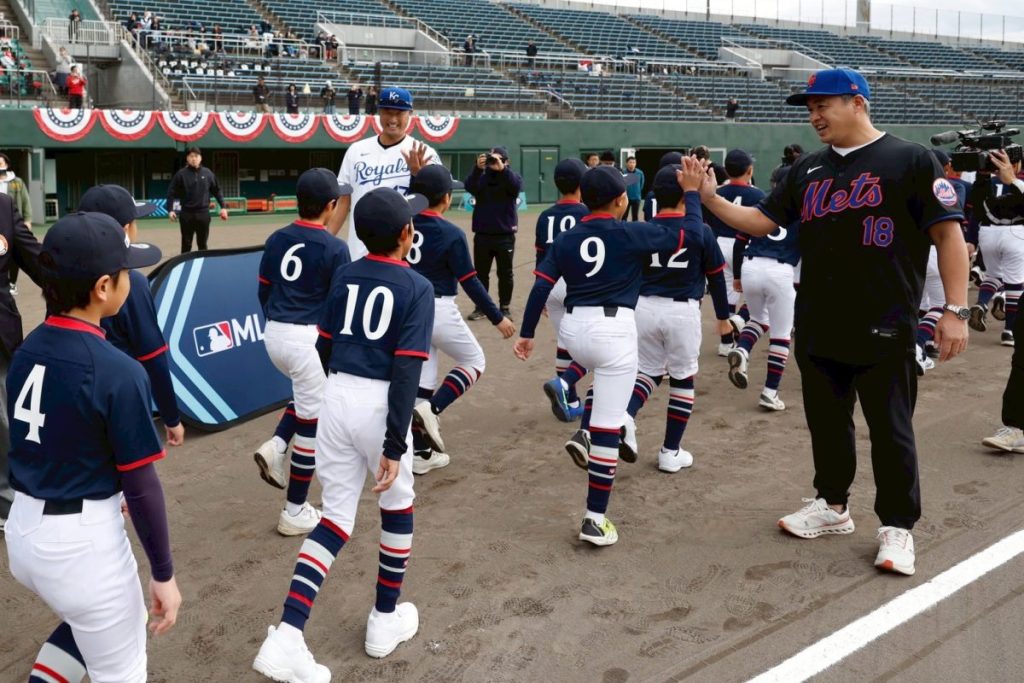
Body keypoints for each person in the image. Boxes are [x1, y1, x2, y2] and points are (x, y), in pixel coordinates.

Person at [692, 67, 969, 576]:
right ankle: (833, 505)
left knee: (891, 429)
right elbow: (762, 222)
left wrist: (954, 310)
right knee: (826, 422)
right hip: (818, 319)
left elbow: (948, 236)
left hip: (886, 321)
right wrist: (710, 198)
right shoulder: (809, 169)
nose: (815, 116)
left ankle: (898, 526)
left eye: (823, 105)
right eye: (810, 108)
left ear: (857, 102)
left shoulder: (910, 158)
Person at [253, 188, 434, 680]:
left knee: (334, 518)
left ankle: (288, 633)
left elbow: (325, 346)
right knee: (397, 506)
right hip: (380, 403)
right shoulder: (417, 286)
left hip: (336, 395)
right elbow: (406, 371)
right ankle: (383, 618)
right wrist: (395, 442)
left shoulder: (347, 272)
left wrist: (340, 391)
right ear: (406, 234)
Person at [4, 212, 181, 683]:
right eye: (125, 273)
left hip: (24, 531)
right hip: (80, 546)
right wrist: (163, 573)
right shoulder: (118, 370)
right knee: (121, 666)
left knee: (86, 619)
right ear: (103, 287)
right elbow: (142, 486)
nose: (131, 280)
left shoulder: (26, 349)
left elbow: (59, 440)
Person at [513, 162, 703, 547]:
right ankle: (595, 520)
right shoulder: (630, 232)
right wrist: (694, 194)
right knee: (606, 427)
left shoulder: (566, 238)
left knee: (596, 370)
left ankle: (568, 383)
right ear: (620, 201)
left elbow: (540, 287)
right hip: (614, 332)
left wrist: (527, 333)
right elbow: (692, 234)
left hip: (574, 332)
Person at [253, 169, 352, 536]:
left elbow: (264, 290)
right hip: (308, 339)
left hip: (274, 334)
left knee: (309, 394)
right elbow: (340, 306)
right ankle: (294, 510)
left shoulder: (277, 238)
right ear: (331, 205)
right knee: (312, 425)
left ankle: (277, 444)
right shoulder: (335, 247)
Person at [617, 164, 733, 472]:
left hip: (643, 308)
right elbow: (716, 278)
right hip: (682, 311)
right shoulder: (701, 231)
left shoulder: (643, 228)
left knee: (647, 372)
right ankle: (670, 451)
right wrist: (723, 318)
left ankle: (625, 416)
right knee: (682, 378)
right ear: (687, 195)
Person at [406, 165, 515, 474]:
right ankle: (433, 409)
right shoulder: (450, 232)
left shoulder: (404, 224)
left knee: (422, 380)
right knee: (474, 360)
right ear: (445, 198)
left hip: (407, 309)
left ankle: (421, 452)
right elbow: (470, 281)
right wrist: (497, 317)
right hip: (437, 308)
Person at [78, 184, 185, 450]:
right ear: (125, 229)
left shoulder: (67, 272)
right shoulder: (130, 283)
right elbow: (153, 357)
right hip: (120, 401)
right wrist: (171, 417)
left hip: (76, 398)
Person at [328, 87, 439, 259]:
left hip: (404, 257)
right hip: (359, 255)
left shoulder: (424, 153)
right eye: (388, 112)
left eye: (399, 113)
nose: (393, 119)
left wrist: (419, 177)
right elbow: (343, 201)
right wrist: (327, 239)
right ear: (379, 112)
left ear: (410, 113)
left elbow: (435, 207)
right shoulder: (356, 150)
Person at [726, 159, 800, 411]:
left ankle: (742, 350)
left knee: (758, 319)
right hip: (780, 269)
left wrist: (737, 275)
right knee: (781, 335)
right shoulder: (803, 208)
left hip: (751, 265)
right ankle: (770, 392)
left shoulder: (762, 203)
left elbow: (740, 241)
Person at [0, 192, 43, 532]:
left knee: (5, 419)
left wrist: (83, 273)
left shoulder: (2, 205)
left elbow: (40, 262)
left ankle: (6, 503)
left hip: (0, 335)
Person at [537, 159, 591, 423]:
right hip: (577, 284)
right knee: (595, 343)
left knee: (564, 342)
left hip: (550, 284)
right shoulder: (587, 212)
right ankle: (567, 387)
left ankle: (570, 400)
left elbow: (540, 258)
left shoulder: (545, 215)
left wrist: (541, 292)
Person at [704, 149, 760, 356]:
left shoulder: (716, 193)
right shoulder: (757, 194)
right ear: (749, 171)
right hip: (745, 246)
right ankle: (739, 329)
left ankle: (726, 342)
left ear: (727, 171)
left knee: (726, 294)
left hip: (719, 244)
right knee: (754, 292)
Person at [967, 149, 1024, 347]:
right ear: (1014, 164)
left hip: (988, 232)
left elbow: (976, 211)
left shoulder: (986, 183)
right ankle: (1009, 331)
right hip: (1016, 233)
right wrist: (1013, 180)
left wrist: (971, 239)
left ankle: (982, 303)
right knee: (1015, 285)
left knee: (993, 275)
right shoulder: (1019, 183)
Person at [464, 146, 522, 320]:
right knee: (480, 274)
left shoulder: (511, 177)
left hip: (505, 235)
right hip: (483, 234)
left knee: (505, 274)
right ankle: (481, 307)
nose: (494, 162)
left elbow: (516, 188)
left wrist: (503, 170)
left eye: (498, 159)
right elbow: (470, 186)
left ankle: (504, 308)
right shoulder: (482, 178)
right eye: (491, 159)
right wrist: (477, 168)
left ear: (506, 161)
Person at [166, 146, 229, 253]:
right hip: (187, 214)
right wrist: (170, 210)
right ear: (187, 158)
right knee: (186, 245)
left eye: (196, 156)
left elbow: (217, 190)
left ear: (201, 158)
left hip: (203, 214)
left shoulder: (208, 173)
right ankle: (185, 263)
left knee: (202, 244)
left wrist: (223, 207)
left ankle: (203, 262)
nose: (194, 158)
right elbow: (171, 192)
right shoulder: (181, 174)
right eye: (191, 156)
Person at [0, 153, 32, 296]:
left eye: (0, 163)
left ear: (6, 165)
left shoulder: (17, 182)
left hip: (12, 221)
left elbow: (25, 201)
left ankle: (12, 283)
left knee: (14, 253)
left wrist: (27, 220)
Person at [624, 156, 644, 221]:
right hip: (626, 198)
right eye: (630, 162)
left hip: (636, 197)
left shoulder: (640, 173)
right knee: (624, 216)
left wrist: (637, 191)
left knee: (635, 216)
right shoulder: (623, 172)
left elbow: (641, 184)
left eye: (634, 162)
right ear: (626, 163)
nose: (632, 164)